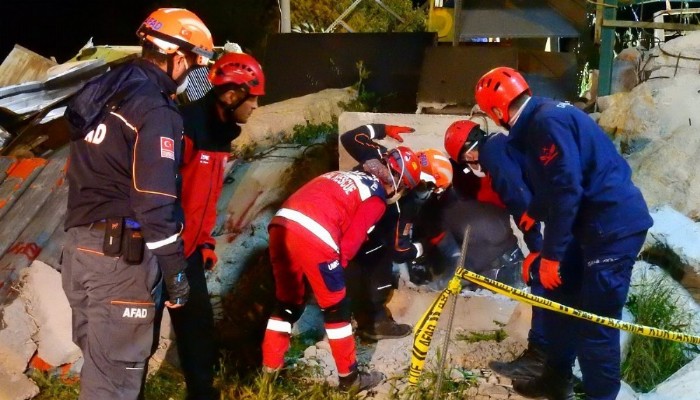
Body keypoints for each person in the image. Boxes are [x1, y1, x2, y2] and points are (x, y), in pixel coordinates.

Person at [61, 8, 213, 399]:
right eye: (197, 60)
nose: (198, 71)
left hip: (80, 250)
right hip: (120, 259)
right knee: (114, 383)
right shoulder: (157, 109)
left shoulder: (106, 90)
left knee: (101, 368)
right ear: (178, 56)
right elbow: (154, 202)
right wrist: (177, 271)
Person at [475, 66, 653, 400]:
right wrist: (535, 211)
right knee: (559, 298)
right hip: (592, 224)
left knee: (595, 325)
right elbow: (557, 177)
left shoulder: (545, 123)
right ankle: (556, 380)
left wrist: (551, 256)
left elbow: (567, 190)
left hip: (611, 229)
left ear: (498, 111)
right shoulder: (545, 114)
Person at [260, 146, 421, 391]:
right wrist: (334, 276)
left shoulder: (347, 175)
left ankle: (269, 373)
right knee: (337, 308)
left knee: (287, 303)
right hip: (315, 234)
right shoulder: (376, 197)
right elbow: (348, 246)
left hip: (281, 225)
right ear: (399, 183)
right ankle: (350, 380)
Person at [172, 52, 265, 399]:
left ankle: (202, 393)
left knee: (197, 327)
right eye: (253, 98)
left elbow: (207, 197)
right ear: (232, 95)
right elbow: (160, 193)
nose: (256, 106)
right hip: (161, 251)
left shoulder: (220, 135)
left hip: (190, 251)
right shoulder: (185, 128)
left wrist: (206, 242)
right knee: (142, 334)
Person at [442, 119, 547, 378]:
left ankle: (542, 356)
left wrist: (535, 250)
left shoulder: (495, 159)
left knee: (544, 281)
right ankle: (547, 354)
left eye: (466, 161)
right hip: (556, 214)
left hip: (554, 222)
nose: (470, 166)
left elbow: (520, 201)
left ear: (469, 152)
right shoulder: (501, 145)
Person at [340, 124, 452, 341]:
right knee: (380, 258)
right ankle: (374, 322)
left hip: (334, 219)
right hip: (354, 240)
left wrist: (383, 129)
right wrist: (426, 246)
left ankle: (352, 318)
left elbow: (350, 136)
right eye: (432, 189)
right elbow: (400, 251)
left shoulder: (382, 156)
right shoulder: (405, 204)